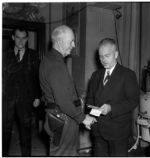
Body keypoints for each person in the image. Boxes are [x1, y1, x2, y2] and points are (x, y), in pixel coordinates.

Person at [39, 25, 96, 156]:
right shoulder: (56, 65)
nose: (74, 45)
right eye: (71, 41)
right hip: (64, 119)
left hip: (57, 116)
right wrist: (82, 118)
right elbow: (63, 101)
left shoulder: (49, 59)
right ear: (60, 41)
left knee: (59, 151)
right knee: (65, 153)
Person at [86, 38, 140, 156]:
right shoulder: (95, 75)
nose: (103, 60)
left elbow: (133, 101)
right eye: (101, 56)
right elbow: (90, 100)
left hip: (118, 131)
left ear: (116, 54)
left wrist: (111, 108)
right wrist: (92, 115)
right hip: (98, 130)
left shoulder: (127, 75)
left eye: (107, 56)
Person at [2, 27, 41, 156]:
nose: (20, 41)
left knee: (26, 132)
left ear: (27, 39)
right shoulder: (4, 55)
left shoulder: (34, 55)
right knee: (4, 132)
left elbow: (37, 77)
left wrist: (37, 97)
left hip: (26, 100)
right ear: (13, 37)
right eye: (18, 37)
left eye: (24, 38)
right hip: (7, 100)